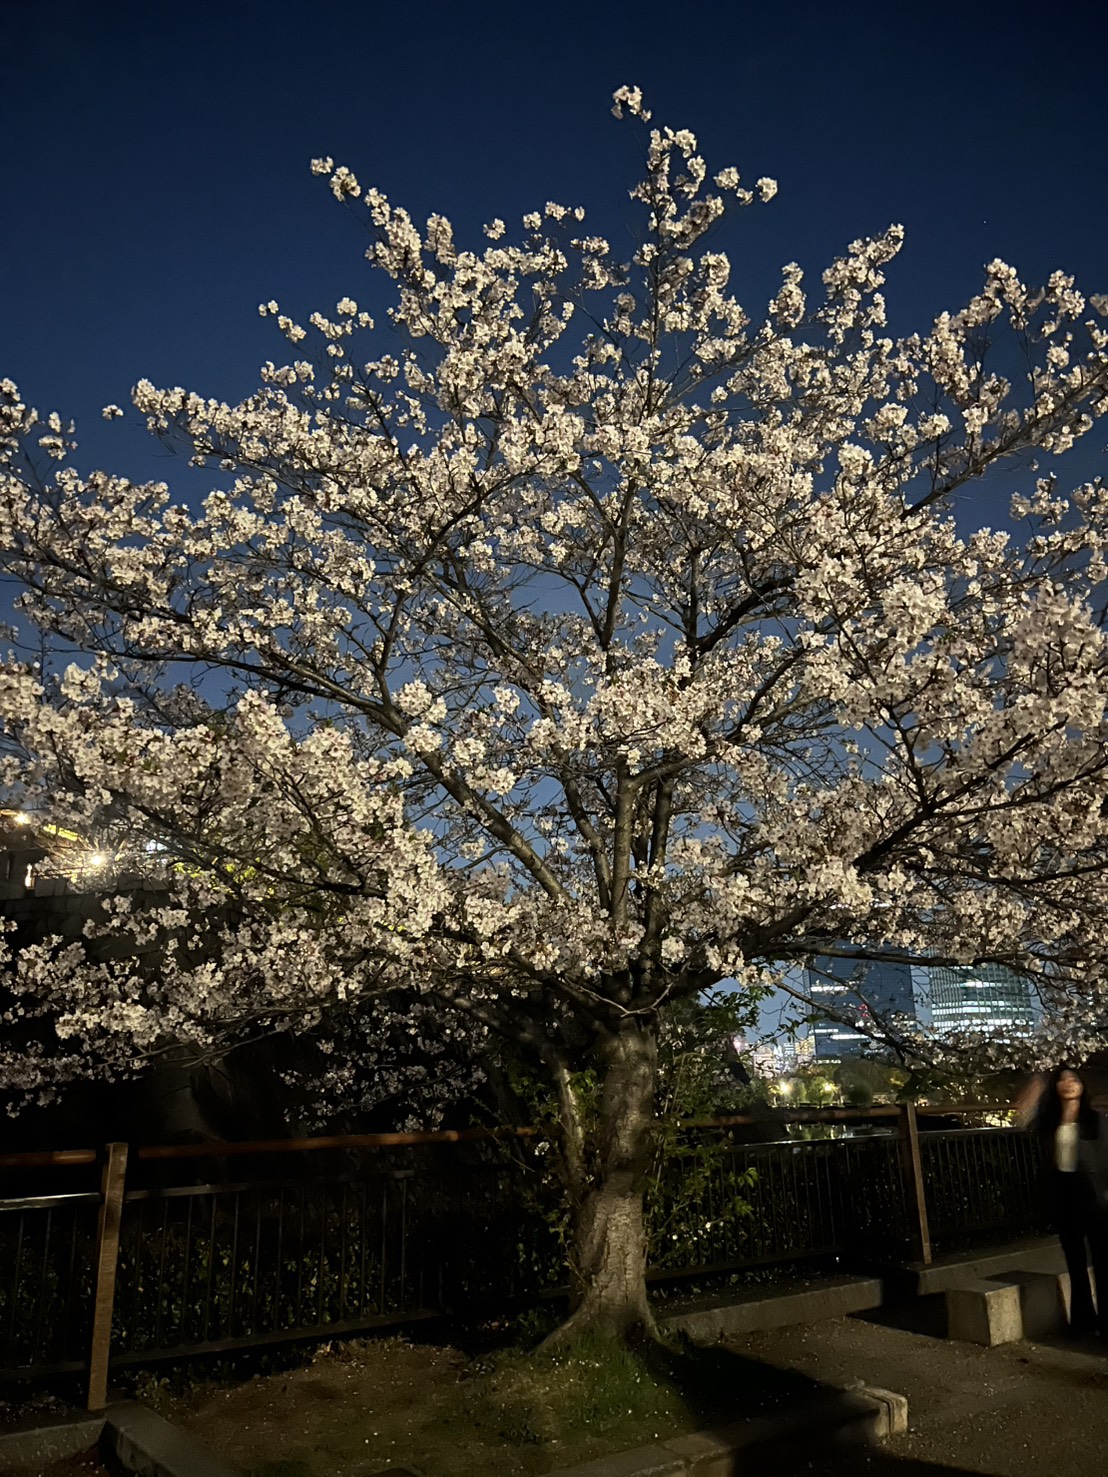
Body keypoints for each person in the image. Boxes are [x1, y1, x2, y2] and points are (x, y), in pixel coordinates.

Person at [1024, 1067, 1108, 1338]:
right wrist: (1036, 1084)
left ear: (1082, 1087)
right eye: (1062, 1080)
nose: (1068, 1084)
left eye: (1074, 1080)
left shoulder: (1096, 1120)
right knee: (1075, 1262)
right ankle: (1083, 1321)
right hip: (1064, 1195)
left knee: (1102, 1261)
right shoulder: (1050, 1122)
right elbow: (1023, 1117)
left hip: (1094, 1196)